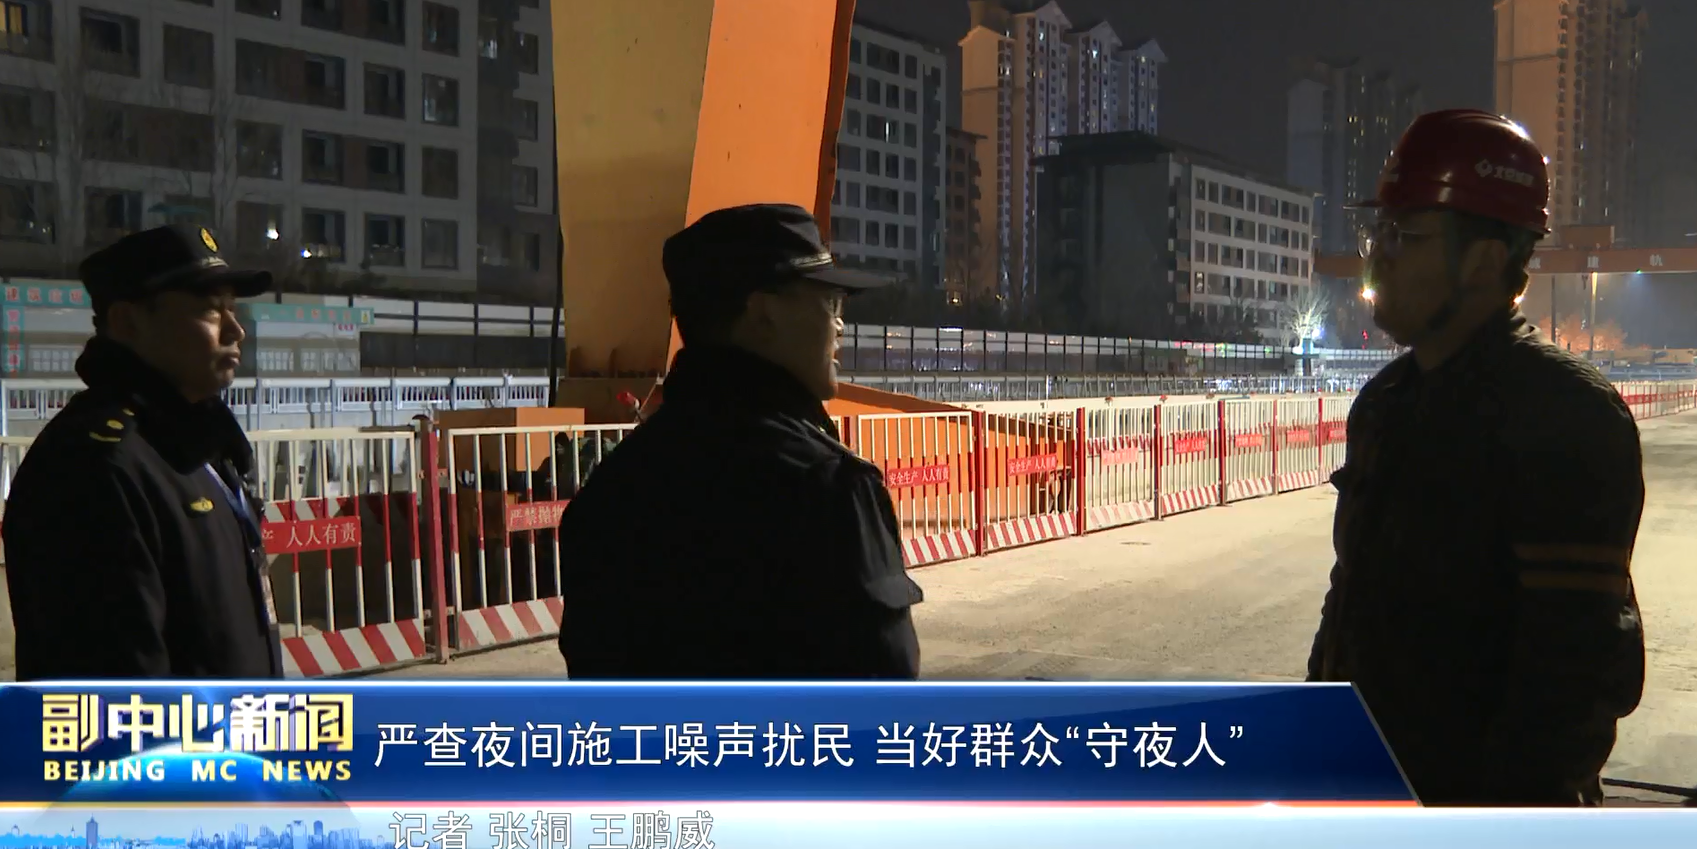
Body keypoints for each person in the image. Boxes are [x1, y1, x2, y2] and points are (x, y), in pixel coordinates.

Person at [1307, 110, 1646, 806]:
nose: (1378, 259)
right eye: (1379, 232)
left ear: (1485, 261)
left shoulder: (1564, 415)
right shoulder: (1385, 403)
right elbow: (1350, 600)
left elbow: (1570, 682)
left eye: (1406, 236)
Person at [557, 203, 923, 679]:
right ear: (764, 312)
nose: (839, 326)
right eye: (829, 303)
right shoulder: (828, 490)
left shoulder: (605, 499)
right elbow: (882, 693)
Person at [4, 225, 283, 680]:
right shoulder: (93, 467)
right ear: (128, 322)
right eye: (209, 310)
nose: (236, 330)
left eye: (233, 308)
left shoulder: (196, 444)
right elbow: (113, 689)